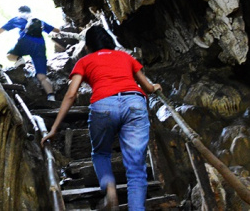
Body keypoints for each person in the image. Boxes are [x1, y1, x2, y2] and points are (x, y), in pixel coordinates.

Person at [41, 25, 161, 211]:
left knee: (101, 153)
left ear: (88, 46)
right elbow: (146, 86)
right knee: (136, 167)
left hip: (104, 104)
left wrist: (54, 129)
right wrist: (155, 88)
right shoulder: (125, 56)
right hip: (134, 102)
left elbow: (71, 94)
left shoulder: (85, 61)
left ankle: (110, 188)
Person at [0, 5, 60, 102]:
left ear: (19, 12)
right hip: (40, 46)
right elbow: (57, 30)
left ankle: (19, 59)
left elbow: (0, 30)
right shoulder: (38, 21)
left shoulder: (17, 19)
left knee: (10, 56)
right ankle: (51, 96)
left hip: (25, 42)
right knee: (42, 76)